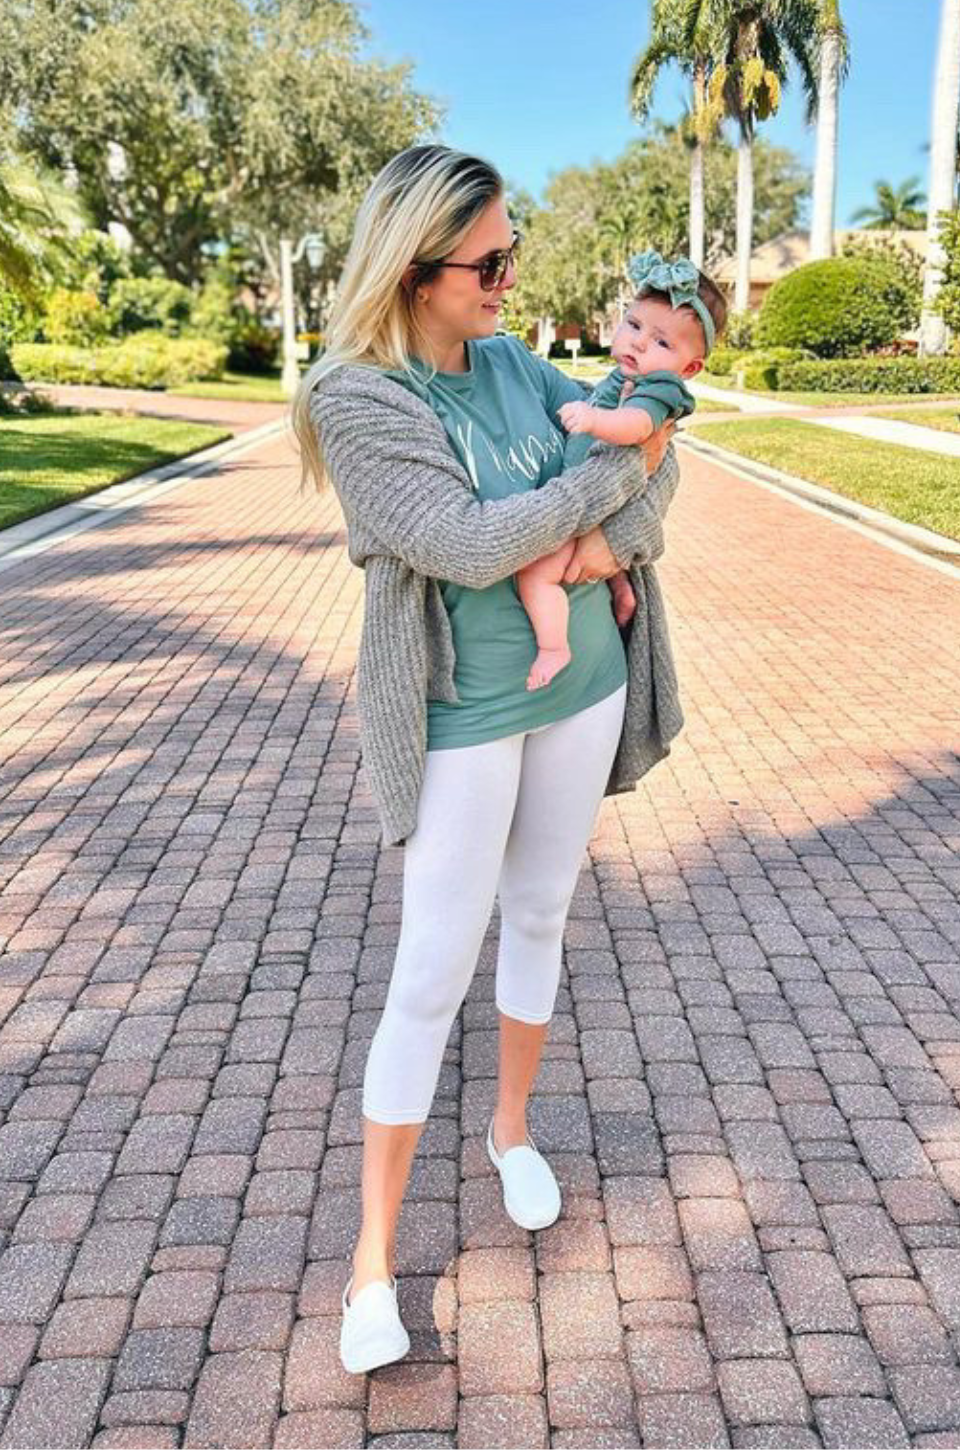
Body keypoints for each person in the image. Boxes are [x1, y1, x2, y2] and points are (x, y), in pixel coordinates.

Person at [292, 144, 684, 1377]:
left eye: (512, 254)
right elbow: (463, 544)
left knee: (542, 911)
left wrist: (604, 530)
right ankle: (372, 1264)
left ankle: (510, 1130)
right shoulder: (357, 396)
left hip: (584, 682)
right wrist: (609, 489)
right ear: (415, 272)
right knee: (428, 970)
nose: (511, 281)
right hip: (465, 710)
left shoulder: (516, 363)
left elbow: (662, 460)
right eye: (490, 263)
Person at [517, 250, 727, 690]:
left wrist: (594, 420)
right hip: (595, 499)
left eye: (662, 343)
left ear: (689, 368)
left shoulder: (660, 388)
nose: (639, 343)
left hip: (589, 507)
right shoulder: (625, 376)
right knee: (598, 559)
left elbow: (639, 428)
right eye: (633, 325)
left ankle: (554, 647)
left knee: (535, 574)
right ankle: (622, 589)